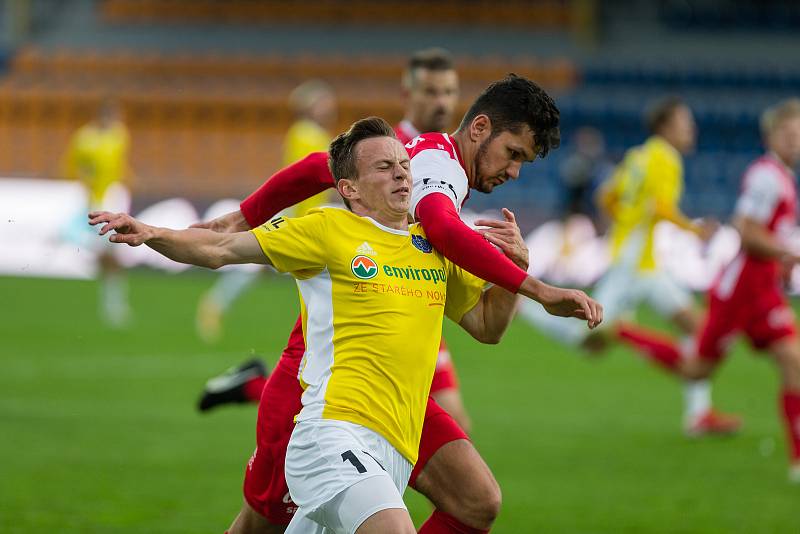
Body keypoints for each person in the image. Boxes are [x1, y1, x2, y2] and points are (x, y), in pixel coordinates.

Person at [197, 75, 602, 533]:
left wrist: (244, 213)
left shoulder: (423, 159)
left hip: (394, 387)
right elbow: (442, 228)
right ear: (480, 128)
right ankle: (257, 387)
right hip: (323, 386)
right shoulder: (440, 175)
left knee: (476, 500)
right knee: (261, 525)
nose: (514, 173)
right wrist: (542, 290)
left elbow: (319, 166)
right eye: (513, 154)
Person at [91, 117, 527, 533]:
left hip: (394, 444)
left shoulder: (432, 245)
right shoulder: (329, 229)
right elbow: (221, 248)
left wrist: (515, 268)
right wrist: (150, 232)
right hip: (331, 433)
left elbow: (488, 326)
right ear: (349, 189)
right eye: (384, 167)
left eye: (404, 166)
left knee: (478, 502)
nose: (401, 175)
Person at [200, 48, 471, 432]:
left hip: (415, 293)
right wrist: (247, 216)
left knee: (425, 425)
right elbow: (313, 169)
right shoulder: (390, 148)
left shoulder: (447, 153)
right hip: (361, 278)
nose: (441, 102)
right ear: (407, 95)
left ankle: (251, 388)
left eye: (448, 91)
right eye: (430, 91)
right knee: (329, 405)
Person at [628, 99, 800, 482]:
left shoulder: (785, 178)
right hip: (738, 291)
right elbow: (747, 229)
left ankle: (797, 463)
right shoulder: (766, 176)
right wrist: (788, 253)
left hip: (763, 291)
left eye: (798, 134)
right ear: (771, 136)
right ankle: (626, 333)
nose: (795, 141)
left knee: (794, 362)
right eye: (788, 133)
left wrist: (782, 265)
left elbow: (767, 237)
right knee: (695, 370)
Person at [196, 79, 338, 344]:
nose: (328, 107)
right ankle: (215, 303)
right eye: (323, 102)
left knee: (294, 273)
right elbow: (302, 176)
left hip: (308, 214)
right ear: (310, 106)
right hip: (296, 214)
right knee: (265, 266)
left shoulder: (313, 134)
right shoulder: (305, 134)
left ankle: (217, 303)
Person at [62, 97, 133, 328]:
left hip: (114, 198)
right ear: (102, 115)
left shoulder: (120, 135)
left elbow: (120, 165)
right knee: (109, 255)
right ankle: (113, 304)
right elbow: (75, 167)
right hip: (94, 202)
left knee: (112, 255)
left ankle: (113, 304)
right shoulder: (85, 138)